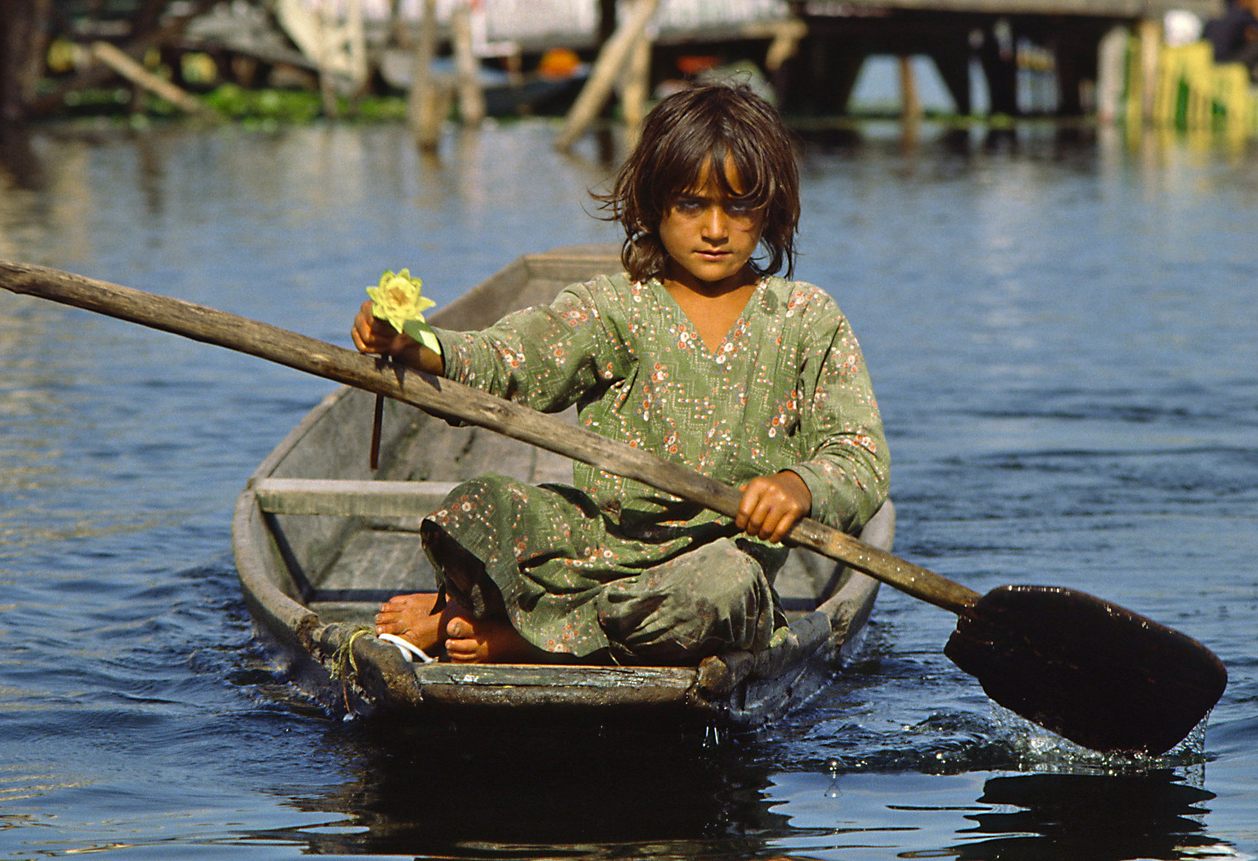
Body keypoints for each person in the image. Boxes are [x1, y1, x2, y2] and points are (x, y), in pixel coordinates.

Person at [351, 82, 890, 666]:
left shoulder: (806, 319)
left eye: (738, 206)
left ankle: (523, 639)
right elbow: (505, 362)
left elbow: (860, 458)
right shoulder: (615, 307)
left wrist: (800, 487)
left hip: (708, 571)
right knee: (476, 507)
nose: (715, 229)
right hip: (598, 550)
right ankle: (545, 627)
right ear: (654, 206)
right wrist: (413, 343)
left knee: (724, 589)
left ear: (770, 210)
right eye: (691, 204)